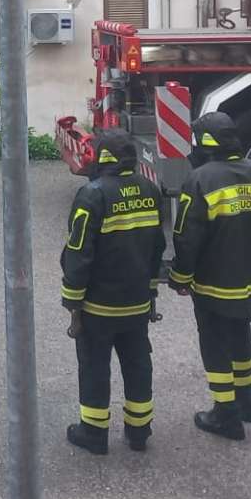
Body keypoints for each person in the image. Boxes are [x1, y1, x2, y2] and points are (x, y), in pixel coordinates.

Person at [168, 111, 251, 442]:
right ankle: (247, 404)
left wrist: (180, 276)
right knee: (241, 336)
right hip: (248, 282)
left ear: (205, 144)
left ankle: (225, 414)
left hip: (212, 283)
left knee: (215, 345)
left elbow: (187, 236)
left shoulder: (201, 179)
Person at [61, 129, 164, 455]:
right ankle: (139, 431)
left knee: (94, 366)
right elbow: (157, 248)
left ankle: (93, 432)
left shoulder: (92, 195)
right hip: (136, 303)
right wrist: (150, 294)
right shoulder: (150, 189)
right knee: (137, 364)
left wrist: (72, 301)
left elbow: (78, 253)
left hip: (98, 307)